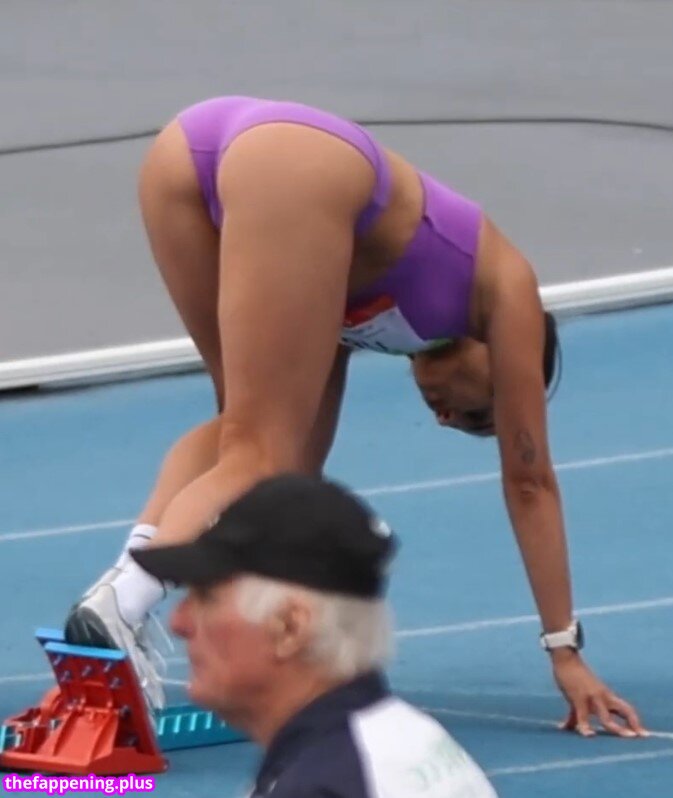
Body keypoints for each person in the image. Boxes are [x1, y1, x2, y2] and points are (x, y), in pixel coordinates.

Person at [64, 95, 646, 737]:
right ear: (505, 359)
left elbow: (290, 467)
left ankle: (130, 592)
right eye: (479, 412)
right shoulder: (510, 292)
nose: (448, 418)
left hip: (188, 151)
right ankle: (125, 600)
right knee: (259, 451)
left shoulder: (349, 300)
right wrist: (564, 651)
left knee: (248, 440)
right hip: (297, 161)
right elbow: (530, 482)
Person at [132, 472, 500, 798]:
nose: (177, 623)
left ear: (290, 627)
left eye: (206, 597)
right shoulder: (401, 739)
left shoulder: (324, 782)